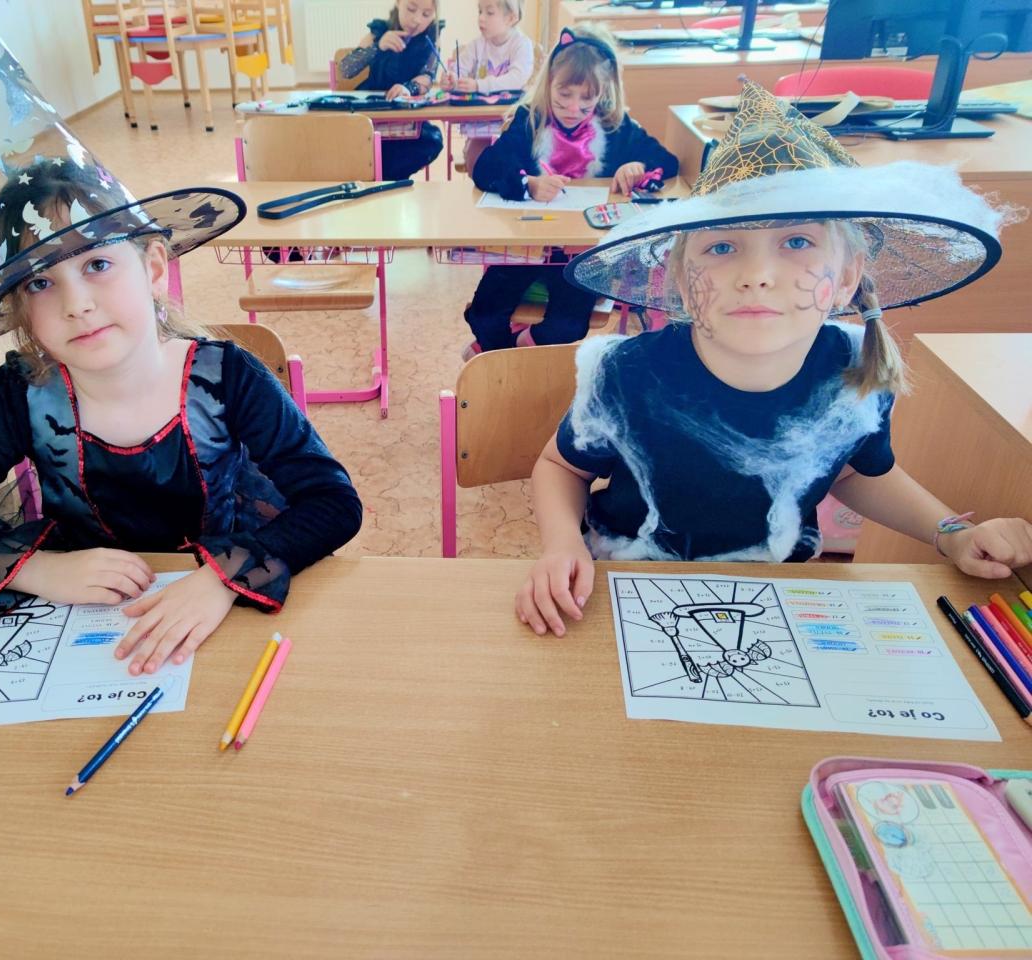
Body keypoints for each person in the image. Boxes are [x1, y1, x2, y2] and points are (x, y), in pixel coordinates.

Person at [0, 0, 362, 675]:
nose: (77, 304)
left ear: (155, 269)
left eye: (98, 265)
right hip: (90, 626)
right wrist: (39, 571)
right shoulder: (16, 396)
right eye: (41, 283)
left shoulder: (229, 378)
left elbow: (334, 503)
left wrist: (220, 579)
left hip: (226, 618)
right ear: (21, 310)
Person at [516, 80, 1032, 637]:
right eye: (721, 246)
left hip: (776, 599)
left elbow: (854, 470)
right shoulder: (626, 372)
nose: (757, 274)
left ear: (847, 277)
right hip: (624, 587)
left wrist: (951, 532)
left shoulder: (852, 370)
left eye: (797, 242)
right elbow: (562, 466)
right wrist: (562, 544)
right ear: (683, 282)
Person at [464, 29, 677, 357]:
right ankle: (502, 359)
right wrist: (529, 183)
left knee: (568, 324)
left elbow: (667, 161)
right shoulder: (529, 120)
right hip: (525, 247)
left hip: (581, 255)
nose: (574, 108)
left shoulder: (615, 127)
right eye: (564, 95)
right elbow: (486, 167)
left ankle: (512, 354)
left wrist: (636, 166)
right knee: (484, 314)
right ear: (549, 83)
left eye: (586, 98)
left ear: (602, 93)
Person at [338, 0, 444, 181]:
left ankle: (384, 182)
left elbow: (427, 76)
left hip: (405, 118)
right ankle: (381, 181)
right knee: (356, 143)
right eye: (411, 9)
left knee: (431, 141)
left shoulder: (430, 36)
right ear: (398, 3)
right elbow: (346, 70)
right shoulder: (379, 30)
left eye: (426, 14)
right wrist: (377, 47)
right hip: (372, 114)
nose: (417, 19)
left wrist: (408, 88)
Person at [439, 0, 535, 175]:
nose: (481, 18)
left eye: (489, 13)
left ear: (511, 18)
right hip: (481, 122)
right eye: (480, 11)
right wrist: (452, 79)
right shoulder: (477, 45)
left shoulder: (522, 44)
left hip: (511, 121)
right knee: (475, 161)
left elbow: (517, 79)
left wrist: (479, 85)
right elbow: (460, 69)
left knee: (513, 162)